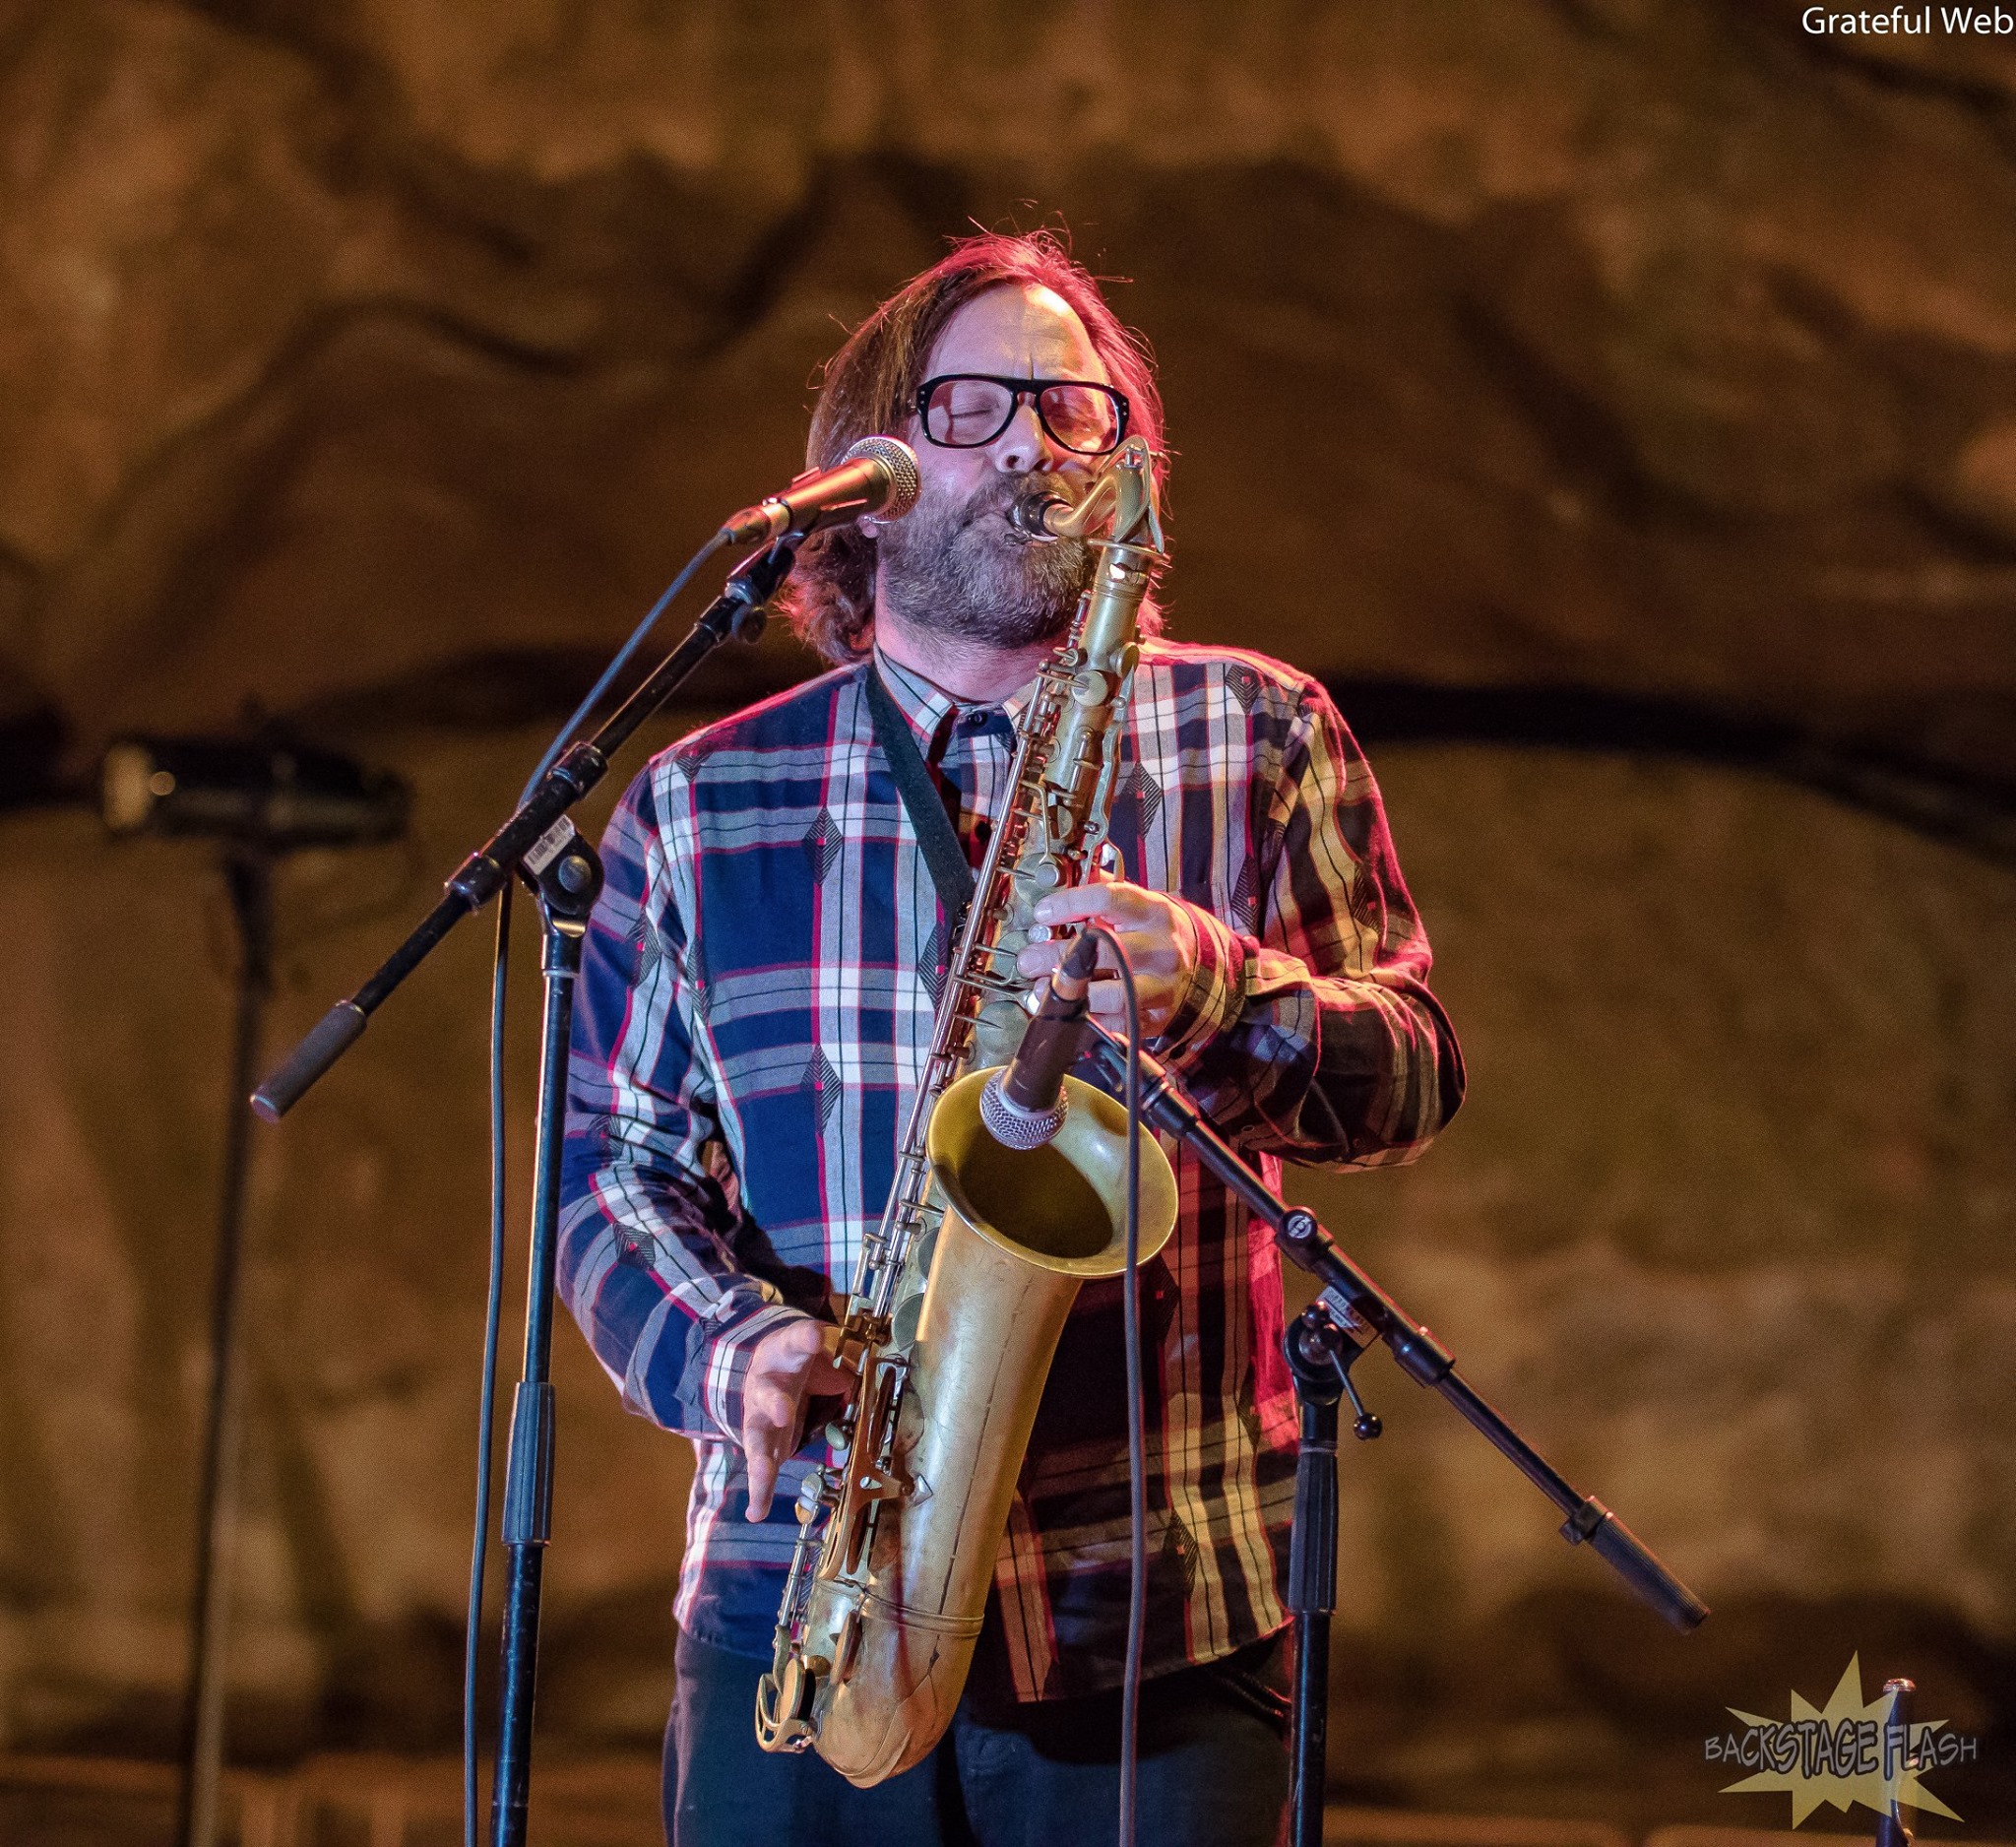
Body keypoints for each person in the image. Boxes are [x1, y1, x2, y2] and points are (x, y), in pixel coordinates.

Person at [559, 230, 1465, 1847]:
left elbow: (1411, 1072)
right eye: (972, 406)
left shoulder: (1260, 730)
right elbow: (610, 1174)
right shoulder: (700, 800)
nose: (1034, 446)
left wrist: (1217, 989)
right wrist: (731, 1346)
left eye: (1077, 410)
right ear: (866, 470)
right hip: (808, 1592)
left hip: (1160, 1610)